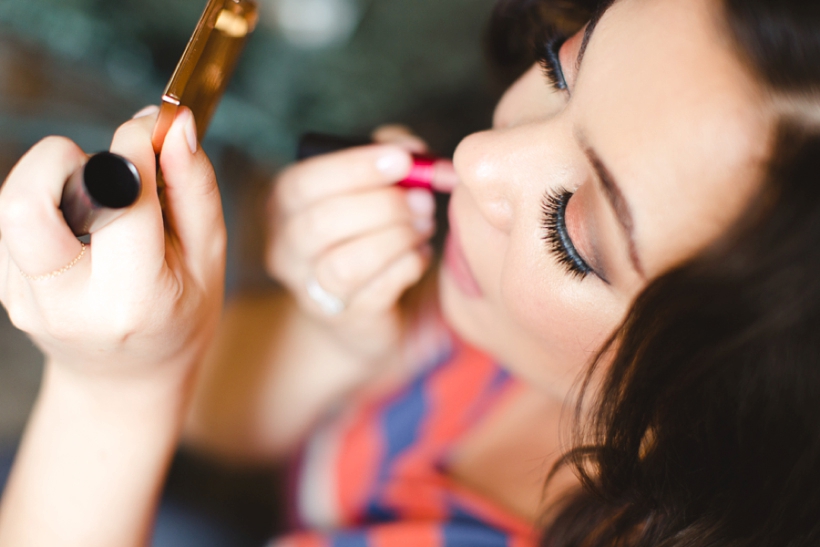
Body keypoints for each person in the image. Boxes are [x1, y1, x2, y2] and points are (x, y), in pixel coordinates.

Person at [1, 0, 819, 545]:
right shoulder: (514, 312)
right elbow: (213, 411)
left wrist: (111, 393)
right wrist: (339, 336)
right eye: (562, 67)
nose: (478, 156)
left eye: (574, 230)